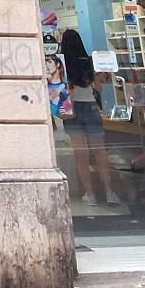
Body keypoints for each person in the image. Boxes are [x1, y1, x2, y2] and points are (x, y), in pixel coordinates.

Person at [61, 28, 115, 206]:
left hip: (73, 109)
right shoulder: (90, 62)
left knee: (80, 153)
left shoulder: (63, 66)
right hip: (91, 107)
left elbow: (64, 91)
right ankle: (108, 190)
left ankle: (90, 193)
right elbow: (99, 88)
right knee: (99, 150)